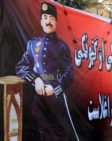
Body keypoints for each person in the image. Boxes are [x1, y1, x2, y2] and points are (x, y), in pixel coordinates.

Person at [16, 2, 80, 141]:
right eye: (45, 17)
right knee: (43, 136)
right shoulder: (33, 44)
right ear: (40, 21)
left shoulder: (62, 46)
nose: (48, 22)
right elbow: (21, 66)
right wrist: (36, 80)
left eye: (51, 18)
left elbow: (69, 73)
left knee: (58, 136)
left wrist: (55, 88)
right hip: (40, 102)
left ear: (56, 22)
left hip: (56, 102)